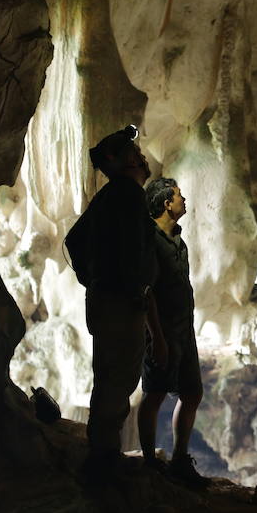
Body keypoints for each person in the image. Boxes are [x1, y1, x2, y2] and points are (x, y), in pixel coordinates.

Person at [67, 125, 168, 484]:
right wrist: (125, 287)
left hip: (109, 298)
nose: (142, 157)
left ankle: (103, 453)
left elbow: (74, 240)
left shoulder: (112, 195)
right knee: (117, 378)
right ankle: (102, 461)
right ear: (127, 163)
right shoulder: (127, 194)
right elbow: (134, 255)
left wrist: (94, 279)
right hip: (121, 303)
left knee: (112, 376)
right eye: (136, 154)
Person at [137, 177, 209, 488]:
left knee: (192, 393)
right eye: (179, 196)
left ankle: (180, 459)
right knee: (154, 393)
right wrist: (157, 338)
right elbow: (147, 292)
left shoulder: (179, 242)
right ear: (167, 203)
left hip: (183, 330)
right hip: (161, 332)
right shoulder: (149, 242)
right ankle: (149, 461)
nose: (184, 200)